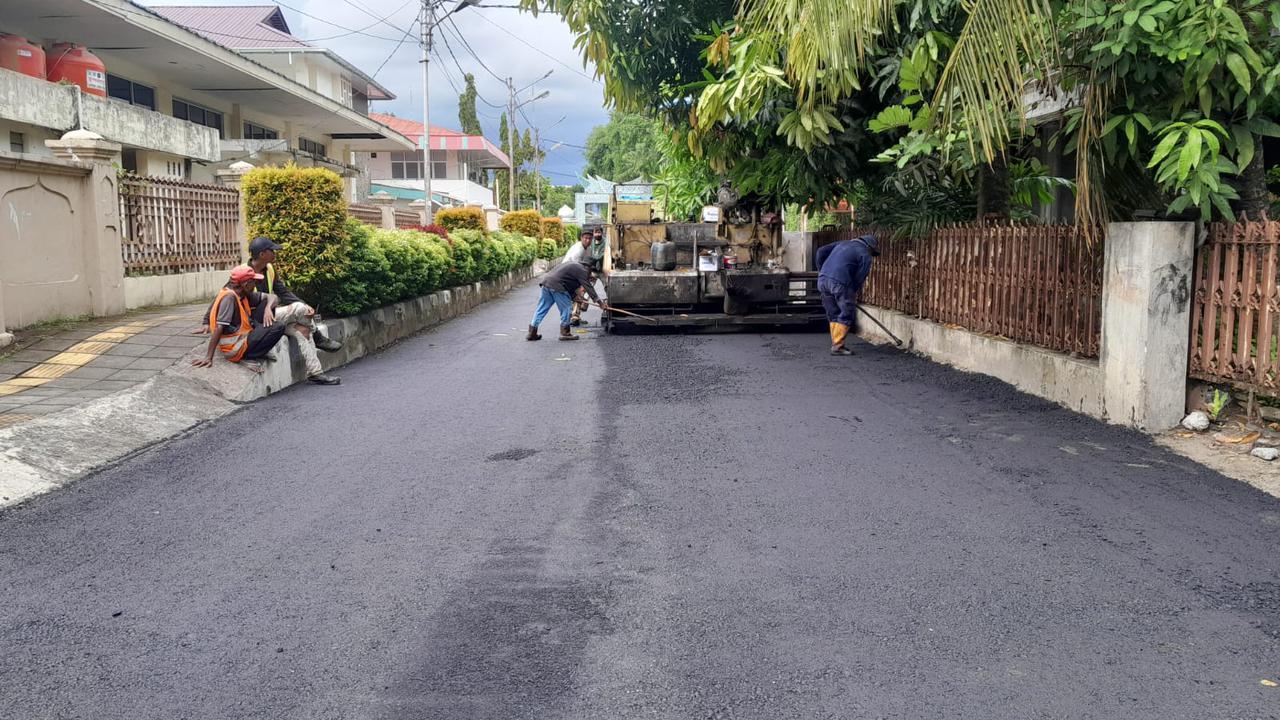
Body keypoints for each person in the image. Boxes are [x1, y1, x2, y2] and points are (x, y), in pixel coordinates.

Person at [192, 265, 341, 385]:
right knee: (279, 326)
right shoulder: (229, 298)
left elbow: (272, 297)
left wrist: (268, 308)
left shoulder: (243, 294)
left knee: (299, 327)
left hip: (244, 336)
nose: (255, 284)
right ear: (245, 284)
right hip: (234, 347)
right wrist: (208, 357)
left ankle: (316, 366)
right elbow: (219, 327)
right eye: (253, 282)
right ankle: (249, 356)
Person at [815, 234, 880, 356]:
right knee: (847, 311)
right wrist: (852, 291)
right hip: (840, 282)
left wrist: (821, 270)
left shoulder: (842, 243)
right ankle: (838, 346)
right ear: (870, 247)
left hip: (822, 280)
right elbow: (860, 277)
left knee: (833, 312)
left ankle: (836, 342)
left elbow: (820, 251)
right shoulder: (865, 254)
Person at [528, 261, 607, 342]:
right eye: (590, 273)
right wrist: (600, 303)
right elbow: (588, 287)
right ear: (588, 269)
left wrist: (574, 297)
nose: (589, 275)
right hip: (557, 286)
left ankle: (532, 332)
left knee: (541, 308)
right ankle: (565, 333)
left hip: (546, 283)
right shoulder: (582, 270)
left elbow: (568, 284)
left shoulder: (573, 266)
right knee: (566, 308)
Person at [562, 230, 594, 326]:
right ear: (581, 238)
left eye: (589, 239)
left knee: (580, 293)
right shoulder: (578, 250)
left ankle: (576, 316)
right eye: (586, 238)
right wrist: (582, 284)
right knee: (578, 293)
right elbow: (576, 269)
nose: (588, 240)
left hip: (576, 273)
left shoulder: (588, 249)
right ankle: (573, 317)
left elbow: (587, 265)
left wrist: (589, 276)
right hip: (567, 274)